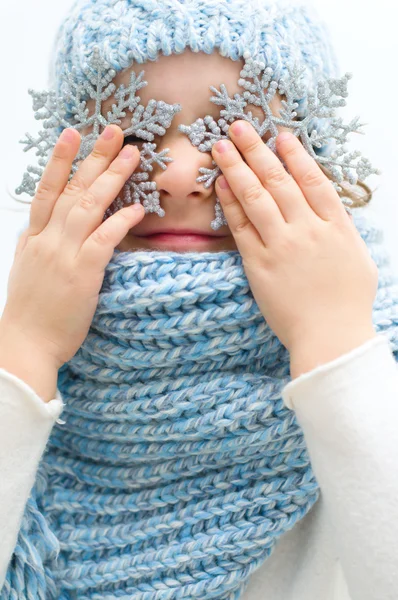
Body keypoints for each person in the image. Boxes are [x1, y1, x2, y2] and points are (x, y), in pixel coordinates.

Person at [0, 0, 398, 599]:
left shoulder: (371, 358)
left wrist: (331, 336)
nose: (179, 174)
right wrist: (25, 348)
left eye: (237, 134)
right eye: (132, 136)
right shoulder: (20, 357)